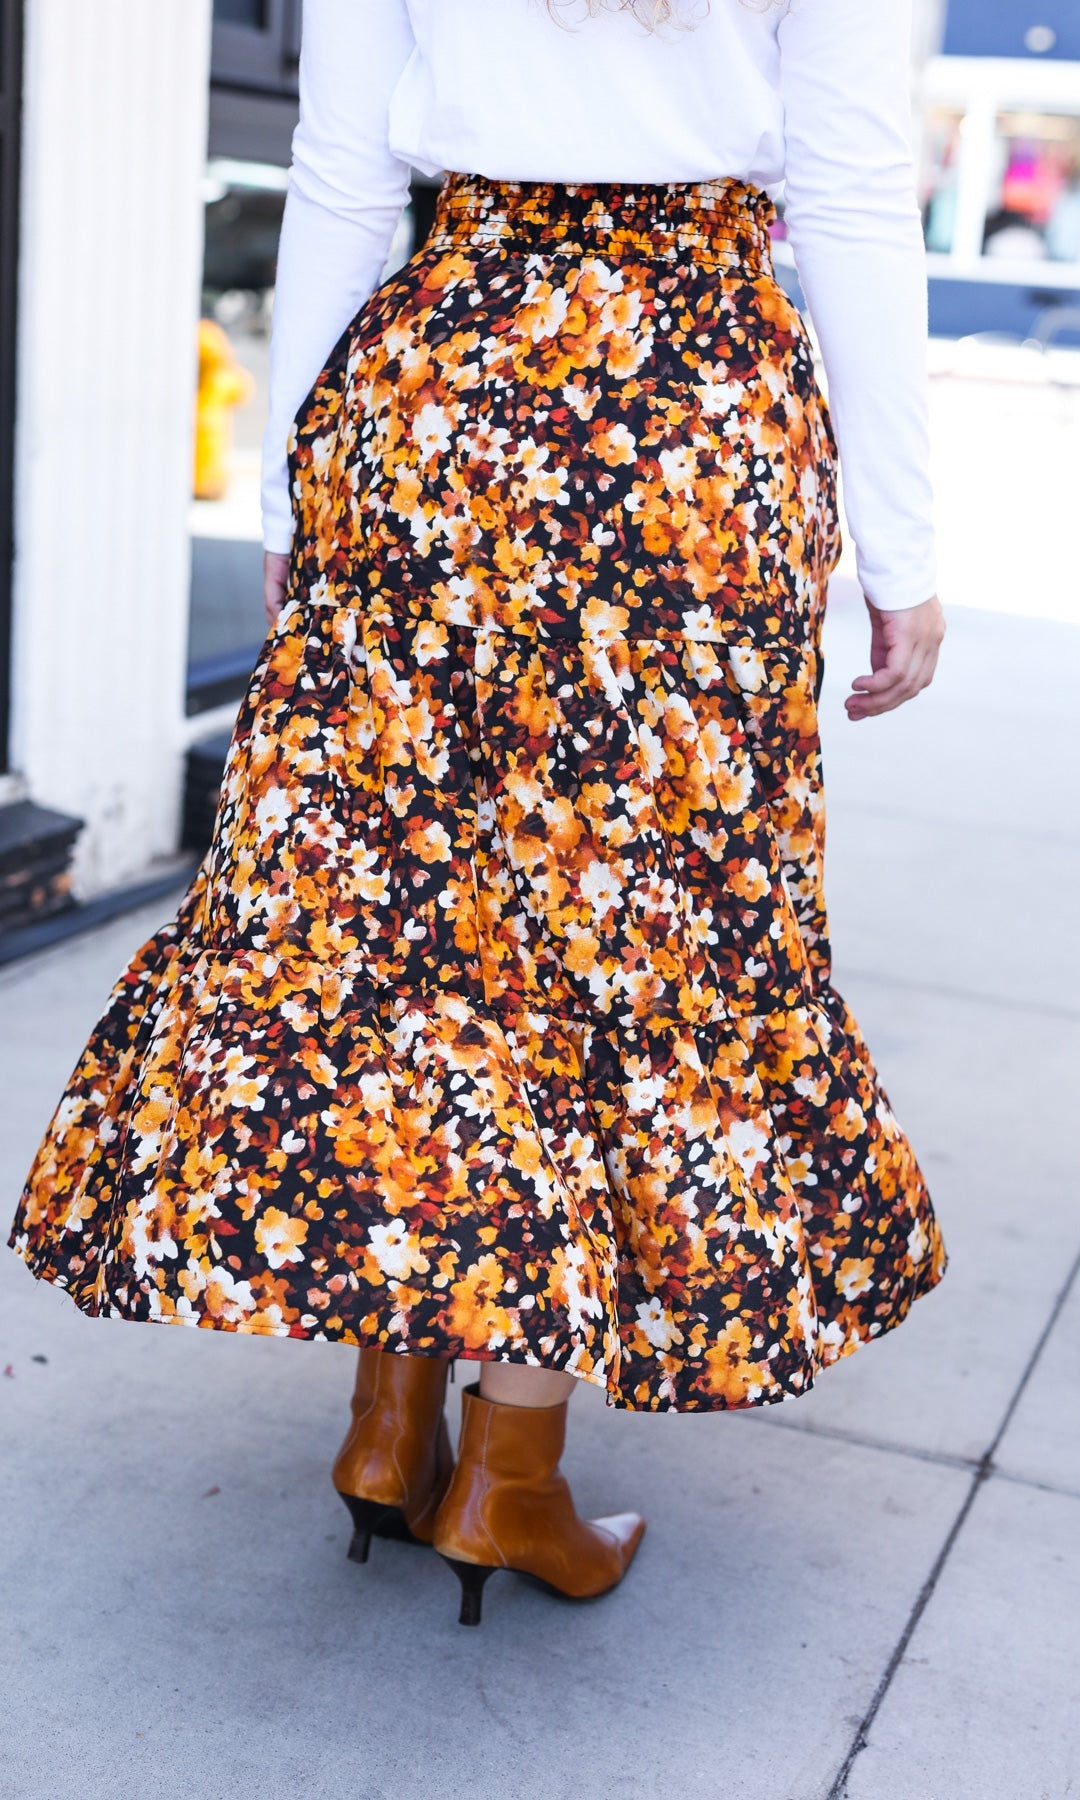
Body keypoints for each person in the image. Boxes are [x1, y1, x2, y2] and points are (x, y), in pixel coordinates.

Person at [9, 0, 947, 1627]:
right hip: (685, 431)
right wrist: (908, 552)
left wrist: (301, 482)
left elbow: (343, 179)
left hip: (433, 408)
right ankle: (510, 1477)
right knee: (608, 949)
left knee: (399, 924)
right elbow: (859, 198)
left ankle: (392, 1417)